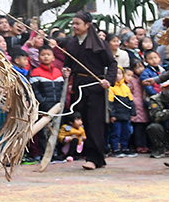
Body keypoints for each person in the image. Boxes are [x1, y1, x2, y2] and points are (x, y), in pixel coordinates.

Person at [52, 11, 116, 170]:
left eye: (77, 24)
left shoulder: (100, 44)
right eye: (73, 24)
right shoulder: (72, 44)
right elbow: (68, 65)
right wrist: (66, 72)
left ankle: (94, 158)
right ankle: (97, 158)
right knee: (86, 122)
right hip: (79, 88)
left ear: (87, 25)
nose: (74, 26)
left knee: (95, 123)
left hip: (95, 86)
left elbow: (112, 64)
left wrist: (108, 79)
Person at [107, 66, 134, 157]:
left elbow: (131, 101)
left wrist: (133, 112)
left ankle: (125, 148)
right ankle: (115, 148)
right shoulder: (111, 87)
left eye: (120, 73)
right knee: (116, 133)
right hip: (117, 115)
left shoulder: (125, 87)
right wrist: (112, 115)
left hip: (126, 114)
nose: (118, 75)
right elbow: (110, 103)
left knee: (126, 132)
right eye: (115, 73)